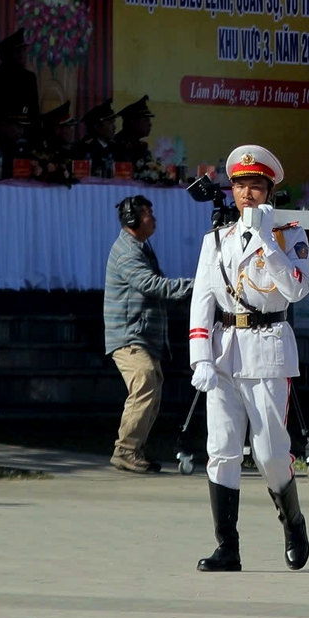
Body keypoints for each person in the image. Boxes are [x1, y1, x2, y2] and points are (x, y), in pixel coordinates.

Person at [187, 146, 309, 571]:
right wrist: (199, 357)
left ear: (269, 190)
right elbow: (202, 300)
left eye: (255, 186)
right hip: (225, 348)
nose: (246, 194)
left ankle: (292, 521)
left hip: (268, 348)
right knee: (221, 449)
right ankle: (227, 546)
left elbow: (296, 289)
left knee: (270, 451)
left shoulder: (289, 233)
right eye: (240, 185)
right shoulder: (215, 239)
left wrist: (265, 241)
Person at [103, 194, 192, 473]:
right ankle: (126, 450)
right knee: (144, 381)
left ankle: (133, 449)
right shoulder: (129, 252)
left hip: (140, 336)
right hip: (129, 336)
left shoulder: (140, 247)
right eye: (147, 214)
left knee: (150, 385)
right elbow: (151, 284)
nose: (153, 219)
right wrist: (198, 286)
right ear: (132, 220)